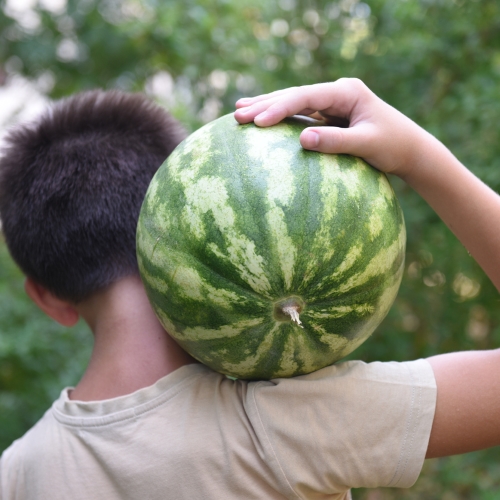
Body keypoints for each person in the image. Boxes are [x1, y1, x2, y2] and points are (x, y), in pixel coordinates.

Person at [0, 80, 491, 500]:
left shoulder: (18, 475)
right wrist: (419, 157)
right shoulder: (289, 424)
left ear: (46, 296)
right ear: (190, 212)